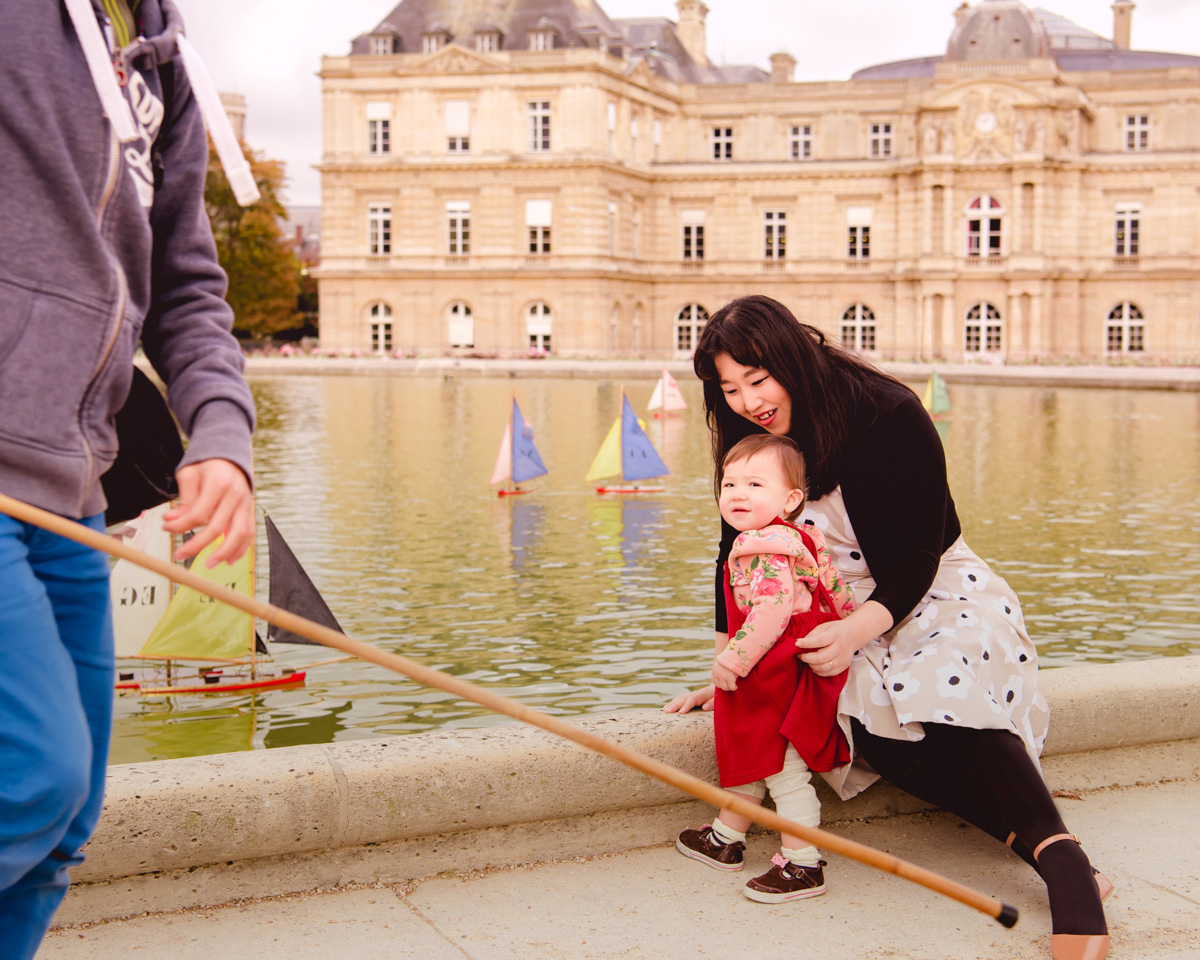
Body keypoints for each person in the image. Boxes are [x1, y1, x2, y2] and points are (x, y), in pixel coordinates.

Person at [664, 296, 1110, 959]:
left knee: (942, 684)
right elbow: (738, 554)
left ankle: (1066, 865)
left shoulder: (888, 412)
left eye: (758, 379)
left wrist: (857, 632)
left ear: (792, 359)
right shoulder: (747, 435)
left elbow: (916, 557)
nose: (747, 401)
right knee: (860, 721)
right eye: (729, 388)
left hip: (929, 586)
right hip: (826, 604)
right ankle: (1051, 854)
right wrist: (733, 661)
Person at [0, 3, 256, 956]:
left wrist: (222, 436)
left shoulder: (161, 51)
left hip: (75, 497)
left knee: (60, 834)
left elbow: (186, 284)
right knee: (31, 781)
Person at [675, 434, 857, 903]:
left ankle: (804, 863)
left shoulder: (761, 547)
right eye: (729, 482)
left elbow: (771, 612)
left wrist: (731, 659)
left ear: (791, 498)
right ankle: (726, 837)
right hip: (787, 671)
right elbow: (838, 595)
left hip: (773, 675)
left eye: (754, 483)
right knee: (754, 754)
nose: (737, 493)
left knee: (784, 771)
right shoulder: (803, 540)